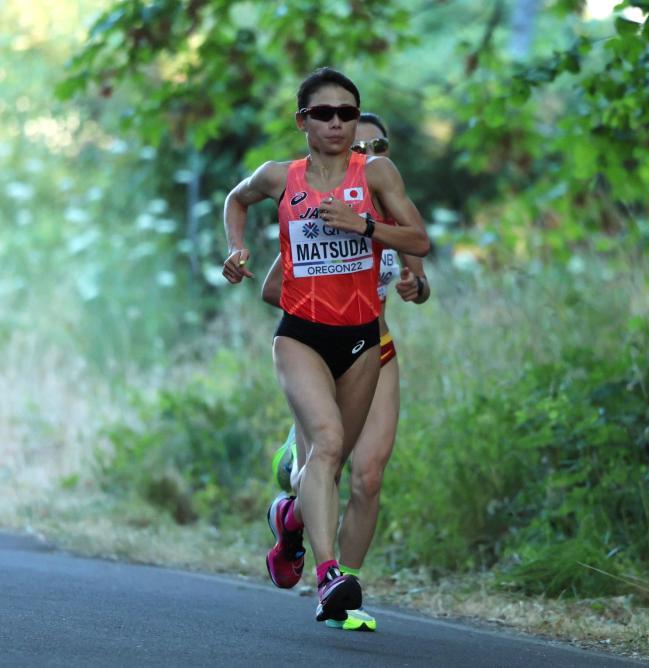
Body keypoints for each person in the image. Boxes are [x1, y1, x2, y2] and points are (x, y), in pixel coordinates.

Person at [221, 67, 429, 624]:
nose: (345, 130)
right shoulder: (290, 182)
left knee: (367, 473)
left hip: (372, 344)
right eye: (326, 115)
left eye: (353, 119)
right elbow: (271, 274)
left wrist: (407, 275)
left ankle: (338, 581)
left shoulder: (382, 191)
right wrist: (242, 255)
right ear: (305, 123)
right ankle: (327, 571)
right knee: (328, 450)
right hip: (308, 336)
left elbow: (420, 261)